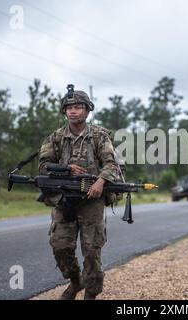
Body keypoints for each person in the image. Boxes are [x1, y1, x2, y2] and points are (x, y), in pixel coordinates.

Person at [38, 84, 119, 300]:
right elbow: (44, 166)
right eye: (69, 107)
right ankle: (76, 282)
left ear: (87, 110)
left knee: (92, 250)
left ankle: (91, 293)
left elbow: (112, 164)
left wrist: (100, 181)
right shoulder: (55, 138)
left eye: (78, 107)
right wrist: (66, 169)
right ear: (64, 111)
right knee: (60, 246)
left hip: (92, 200)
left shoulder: (100, 136)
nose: (73, 111)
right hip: (64, 199)